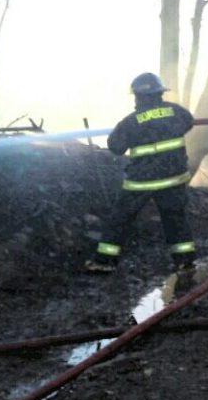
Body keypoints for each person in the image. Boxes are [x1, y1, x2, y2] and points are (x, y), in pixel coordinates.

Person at [84, 72, 197, 274]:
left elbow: (115, 147)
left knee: (120, 219)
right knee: (176, 220)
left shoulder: (130, 122)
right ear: (160, 93)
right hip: (174, 179)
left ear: (137, 96)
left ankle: (105, 261)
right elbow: (189, 122)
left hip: (141, 182)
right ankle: (185, 263)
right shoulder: (176, 112)